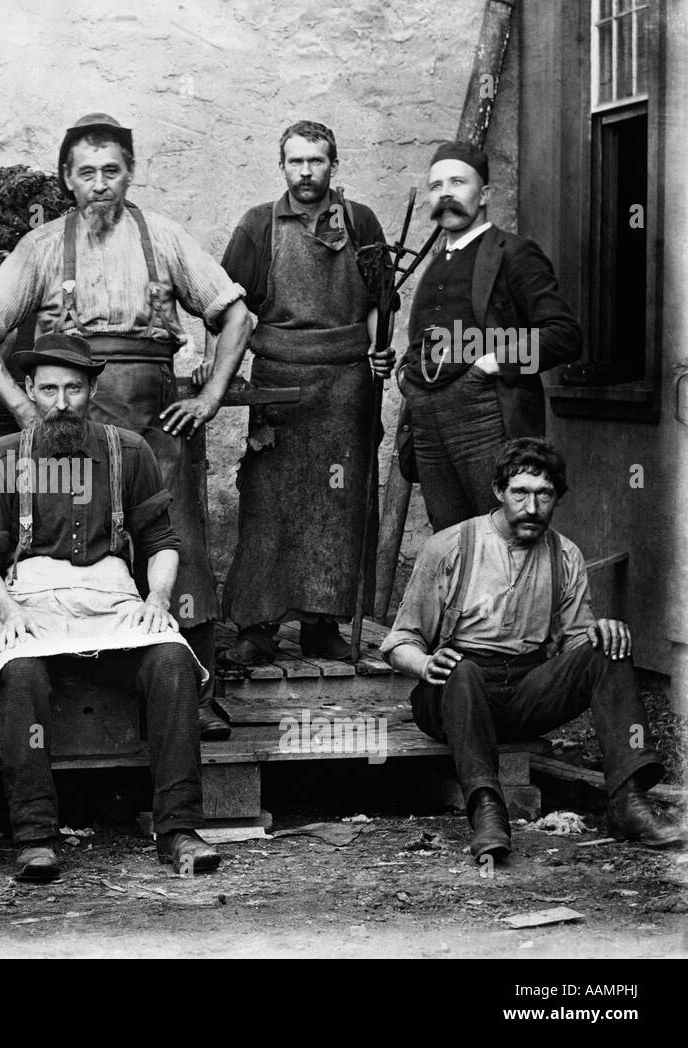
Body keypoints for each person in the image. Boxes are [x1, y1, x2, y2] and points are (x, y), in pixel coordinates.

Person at [0, 112, 253, 741]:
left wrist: (208, 399)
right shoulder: (40, 247)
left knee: (178, 535)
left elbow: (236, 316)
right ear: (67, 178)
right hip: (66, 417)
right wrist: (19, 405)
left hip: (154, 413)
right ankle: (67, 675)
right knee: (72, 537)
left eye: (112, 171)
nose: (100, 184)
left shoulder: (165, 238)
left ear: (130, 176)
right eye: (86, 172)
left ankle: (194, 687)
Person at [0, 333, 220, 882]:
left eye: (73, 389)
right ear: (28, 390)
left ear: (91, 390)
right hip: (35, 604)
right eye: (49, 388)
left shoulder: (129, 451)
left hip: (115, 604)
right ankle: (34, 837)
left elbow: (160, 542)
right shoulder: (2, 459)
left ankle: (179, 829)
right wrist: (7, 612)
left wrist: (156, 598)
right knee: (21, 672)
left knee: (172, 663)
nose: (61, 401)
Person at [380, 438, 683, 859]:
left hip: (525, 692)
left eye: (544, 495)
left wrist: (600, 632)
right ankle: (487, 810)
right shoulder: (450, 547)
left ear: (557, 497)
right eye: (520, 493)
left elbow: (577, 637)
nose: (532, 507)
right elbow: (399, 641)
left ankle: (628, 801)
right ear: (498, 492)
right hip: (453, 692)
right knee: (463, 670)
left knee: (608, 650)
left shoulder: (565, 555)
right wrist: (426, 663)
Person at [214, 120, 390, 665]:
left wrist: (380, 347)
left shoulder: (360, 221)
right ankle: (258, 628)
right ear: (283, 165)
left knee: (340, 507)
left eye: (316, 161)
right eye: (296, 161)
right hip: (279, 382)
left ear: (333, 164)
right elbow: (227, 305)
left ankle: (322, 626)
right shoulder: (258, 225)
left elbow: (382, 298)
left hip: (345, 383)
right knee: (269, 508)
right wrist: (222, 369)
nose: (306, 171)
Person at [397, 141, 581, 532]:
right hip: (430, 421)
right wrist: (406, 373)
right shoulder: (436, 262)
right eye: (436, 185)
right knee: (452, 541)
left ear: (484, 195)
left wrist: (492, 364)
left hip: (487, 415)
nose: (445, 193)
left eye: (458, 182)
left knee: (502, 540)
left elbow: (565, 337)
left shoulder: (514, 253)